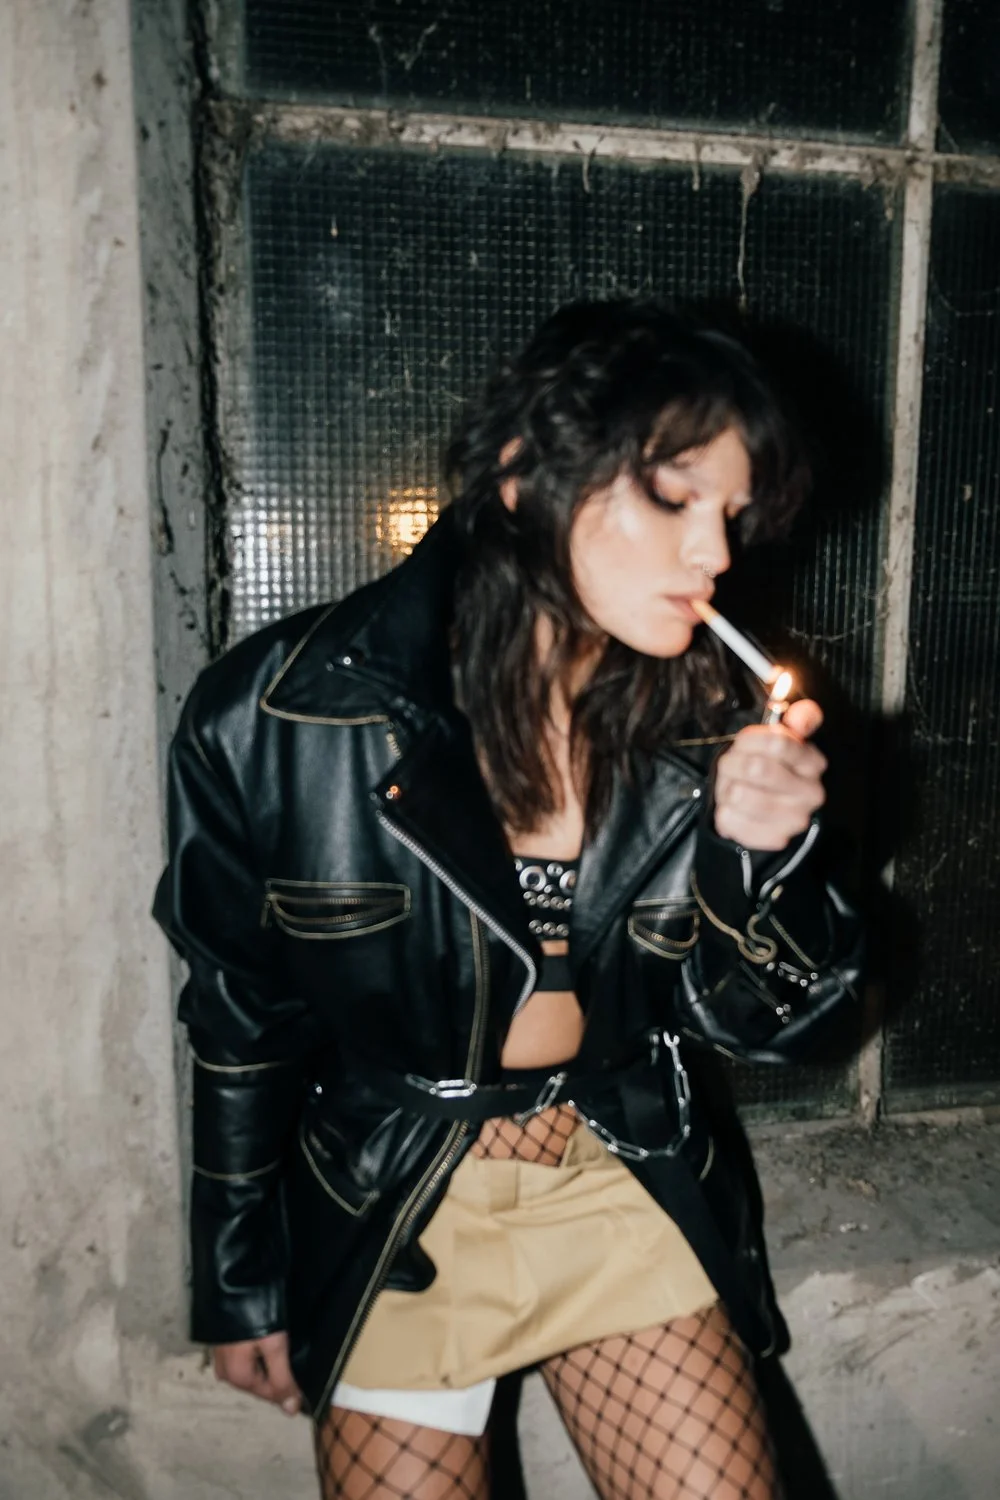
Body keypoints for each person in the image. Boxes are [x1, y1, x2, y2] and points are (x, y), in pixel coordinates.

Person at [154, 298, 863, 1500]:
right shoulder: (275, 714)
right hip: (399, 1201)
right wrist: (237, 1279)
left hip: (613, 1173)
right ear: (526, 475)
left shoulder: (704, 725)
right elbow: (240, 1015)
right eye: (674, 499)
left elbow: (779, 1028)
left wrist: (763, 857)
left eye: (733, 514)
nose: (716, 555)